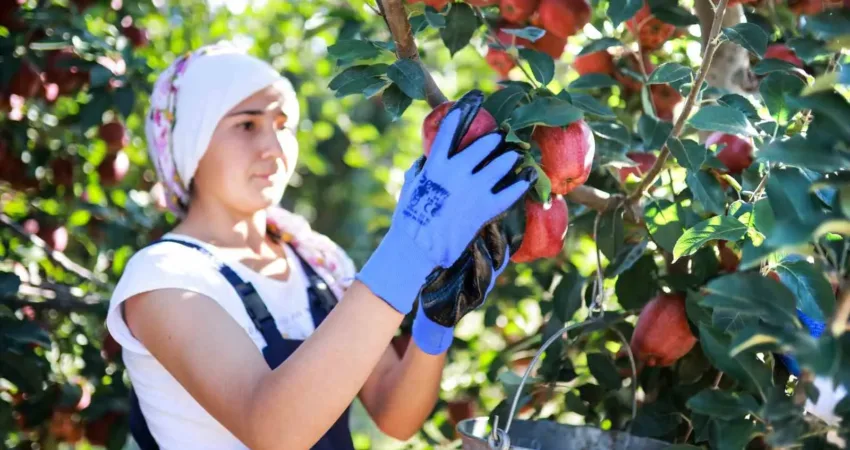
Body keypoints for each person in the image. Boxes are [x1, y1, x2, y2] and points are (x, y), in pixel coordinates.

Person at [105, 41, 535, 450]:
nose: (273, 149)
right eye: (247, 124)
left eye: (282, 125)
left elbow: (394, 414)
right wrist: (407, 249)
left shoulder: (316, 261)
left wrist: (435, 320)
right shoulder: (164, 277)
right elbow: (273, 429)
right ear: (191, 142)